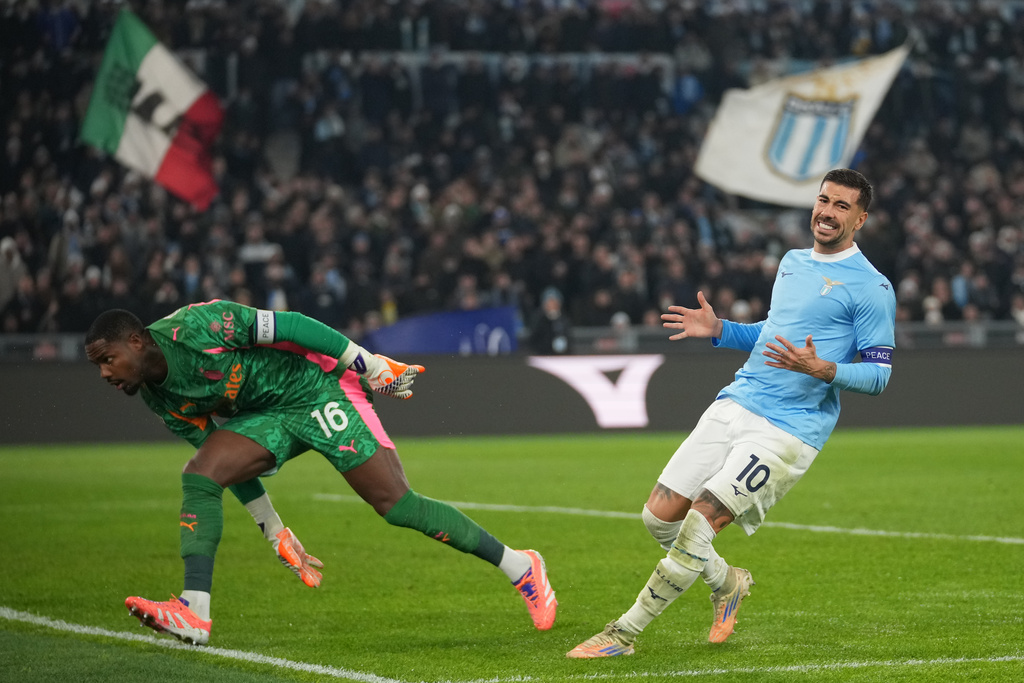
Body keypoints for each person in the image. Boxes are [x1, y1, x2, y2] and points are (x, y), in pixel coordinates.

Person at [84, 300, 557, 646]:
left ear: (137, 341)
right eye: (99, 366)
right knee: (200, 474)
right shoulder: (158, 396)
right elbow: (220, 462)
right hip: (269, 418)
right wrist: (274, 531)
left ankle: (520, 566)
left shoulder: (198, 325)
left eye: (108, 360)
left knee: (396, 505)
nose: (105, 374)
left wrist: (365, 363)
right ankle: (194, 609)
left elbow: (290, 325)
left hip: (319, 389)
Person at [567, 168, 895, 657]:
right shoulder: (792, 261)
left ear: (860, 219)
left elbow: (879, 375)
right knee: (659, 519)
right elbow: (772, 332)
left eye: (841, 206)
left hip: (789, 429)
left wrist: (826, 369)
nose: (827, 213)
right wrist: (721, 329)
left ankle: (623, 633)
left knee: (701, 521)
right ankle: (727, 583)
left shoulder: (872, 288)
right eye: (823, 201)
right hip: (739, 399)